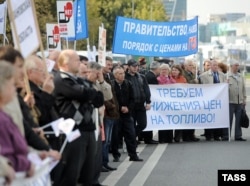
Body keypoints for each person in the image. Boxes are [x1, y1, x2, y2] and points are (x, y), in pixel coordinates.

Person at [53, 49, 104, 186]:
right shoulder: (61, 79)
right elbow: (83, 94)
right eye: (77, 60)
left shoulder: (78, 80)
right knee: (71, 173)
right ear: (65, 63)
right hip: (73, 130)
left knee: (89, 173)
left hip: (88, 129)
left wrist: (89, 92)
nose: (80, 63)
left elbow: (99, 99)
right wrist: (89, 92)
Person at [0, 61, 35, 178]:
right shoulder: (2, 120)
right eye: (11, 85)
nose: (14, 89)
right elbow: (8, 153)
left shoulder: (4, 116)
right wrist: (26, 164)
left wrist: (38, 154)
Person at [111, 66, 143, 161]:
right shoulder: (112, 84)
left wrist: (128, 108)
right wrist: (119, 107)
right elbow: (112, 99)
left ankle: (133, 155)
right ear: (115, 75)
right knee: (115, 136)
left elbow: (132, 98)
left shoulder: (128, 84)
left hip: (127, 114)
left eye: (123, 73)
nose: (122, 75)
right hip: (116, 114)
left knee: (131, 135)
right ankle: (116, 155)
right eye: (120, 74)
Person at [125, 59, 152, 145]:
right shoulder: (125, 77)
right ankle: (132, 141)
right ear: (128, 67)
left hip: (140, 105)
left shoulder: (141, 77)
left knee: (143, 124)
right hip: (130, 105)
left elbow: (146, 90)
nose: (135, 68)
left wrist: (148, 101)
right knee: (131, 125)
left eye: (137, 66)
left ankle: (131, 138)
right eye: (133, 66)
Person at [199, 59, 227, 141]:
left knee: (218, 117)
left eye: (216, 65)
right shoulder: (204, 76)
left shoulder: (222, 75)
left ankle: (217, 135)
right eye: (214, 65)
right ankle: (208, 135)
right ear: (210, 66)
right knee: (209, 117)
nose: (215, 67)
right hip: (208, 100)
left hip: (219, 100)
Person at [223, 59, 246, 141]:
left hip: (239, 101)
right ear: (231, 66)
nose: (237, 67)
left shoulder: (241, 76)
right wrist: (226, 83)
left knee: (239, 119)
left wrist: (244, 99)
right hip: (230, 101)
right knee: (228, 120)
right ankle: (226, 135)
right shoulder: (226, 76)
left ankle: (238, 135)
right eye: (236, 65)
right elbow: (222, 89)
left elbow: (243, 88)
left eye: (238, 65)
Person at [102, 56, 121, 162]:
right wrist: (112, 106)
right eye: (108, 64)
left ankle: (105, 162)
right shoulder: (101, 78)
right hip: (107, 113)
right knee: (105, 141)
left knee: (108, 140)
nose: (110, 66)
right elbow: (103, 96)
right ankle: (103, 162)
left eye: (111, 64)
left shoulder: (108, 77)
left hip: (113, 113)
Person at [157, 64, 175, 143]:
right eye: (162, 69)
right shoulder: (158, 79)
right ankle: (162, 138)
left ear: (168, 70)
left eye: (166, 69)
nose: (164, 71)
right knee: (162, 120)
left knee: (169, 120)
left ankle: (169, 138)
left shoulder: (172, 79)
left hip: (170, 104)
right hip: (162, 103)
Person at [182, 59, 200, 142]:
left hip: (193, 99)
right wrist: (194, 81)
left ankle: (191, 134)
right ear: (185, 66)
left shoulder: (193, 74)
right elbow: (185, 84)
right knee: (187, 118)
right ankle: (186, 136)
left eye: (192, 65)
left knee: (193, 118)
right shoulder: (183, 74)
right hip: (186, 100)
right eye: (190, 65)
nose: (192, 67)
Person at [145, 61, 161, 144]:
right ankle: (148, 138)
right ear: (157, 69)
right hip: (150, 101)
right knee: (149, 120)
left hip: (149, 100)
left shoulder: (148, 75)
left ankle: (147, 137)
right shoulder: (151, 77)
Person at [170, 64, 187, 142]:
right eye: (173, 70)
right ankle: (169, 137)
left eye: (176, 70)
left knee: (179, 119)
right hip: (170, 103)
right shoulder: (169, 78)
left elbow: (186, 89)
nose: (174, 71)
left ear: (179, 71)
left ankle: (177, 137)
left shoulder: (183, 79)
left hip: (180, 103)